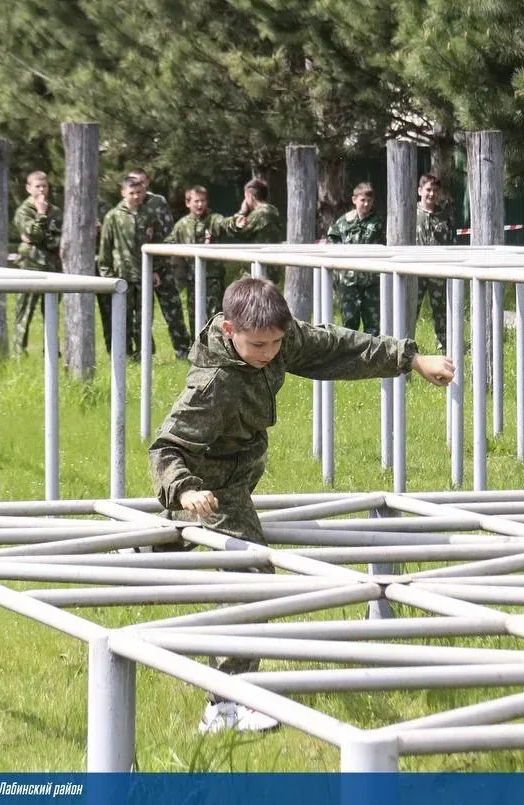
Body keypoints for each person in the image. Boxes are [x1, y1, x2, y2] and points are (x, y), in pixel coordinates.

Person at [148, 276, 456, 733]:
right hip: (213, 485)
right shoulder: (211, 384)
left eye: (277, 342)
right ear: (230, 330)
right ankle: (224, 704)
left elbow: (337, 347)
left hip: (238, 473)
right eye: (259, 345)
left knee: (196, 542)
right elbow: (167, 447)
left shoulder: (278, 339)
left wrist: (411, 359)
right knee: (252, 580)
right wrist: (185, 490)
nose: (270, 353)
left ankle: (153, 544)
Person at [128, 168, 192, 358]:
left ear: (147, 182)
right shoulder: (127, 206)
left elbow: (168, 234)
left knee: (173, 310)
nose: (138, 187)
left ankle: (183, 350)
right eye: (134, 182)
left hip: (162, 266)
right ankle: (144, 352)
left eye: (141, 182)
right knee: (140, 314)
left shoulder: (157, 202)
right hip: (139, 269)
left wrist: (159, 265)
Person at [97, 176, 150, 359]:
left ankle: (142, 353)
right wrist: (108, 275)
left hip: (143, 275)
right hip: (122, 275)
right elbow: (105, 248)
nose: (135, 196)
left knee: (144, 317)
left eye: (138, 193)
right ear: (123, 193)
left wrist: (156, 270)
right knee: (122, 317)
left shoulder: (147, 215)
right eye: (131, 193)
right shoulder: (113, 216)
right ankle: (123, 354)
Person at [12, 171, 62, 354]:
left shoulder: (55, 211)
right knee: (24, 310)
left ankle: (51, 351)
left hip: (52, 266)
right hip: (30, 265)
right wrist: (40, 214)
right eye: (37, 186)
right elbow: (34, 234)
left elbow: (58, 238)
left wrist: (41, 237)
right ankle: (19, 351)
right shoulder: (24, 211)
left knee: (51, 310)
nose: (41, 190)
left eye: (44, 186)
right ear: (28, 188)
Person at [326, 182, 384, 333]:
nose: (366, 204)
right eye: (362, 200)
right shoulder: (344, 222)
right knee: (349, 323)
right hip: (349, 282)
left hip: (371, 281)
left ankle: (370, 349)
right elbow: (333, 239)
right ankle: (350, 349)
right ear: (354, 200)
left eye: (369, 201)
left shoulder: (378, 222)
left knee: (373, 323)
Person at [167, 185, 228, 323]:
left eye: (203, 201)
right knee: (194, 317)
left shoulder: (213, 219)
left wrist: (236, 222)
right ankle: (196, 338)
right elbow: (168, 243)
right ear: (188, 203)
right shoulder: (181, 225)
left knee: (215, 318)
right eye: (196, 201)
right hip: (192, 280)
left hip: (212, 280)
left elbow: (226, 224)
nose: (200, 204)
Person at [414, 174, 455, 352]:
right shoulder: (411, 213)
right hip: (414, 270)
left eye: (435, 191)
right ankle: (406, 343)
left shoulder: (445, 215)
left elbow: (452, 242)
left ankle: (445, 345)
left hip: (438, 270)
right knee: (411, 308)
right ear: (420, 191)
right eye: (428, 190)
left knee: (441, 310)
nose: (432, 194)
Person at [225, 178, 284, 284]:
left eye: (245, 197)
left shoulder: (260, 214)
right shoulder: (273, 210)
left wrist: (242, 212)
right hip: (270, 266)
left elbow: (238, 231)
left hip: (260, 268)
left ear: (250, 197)